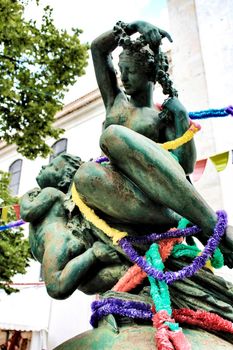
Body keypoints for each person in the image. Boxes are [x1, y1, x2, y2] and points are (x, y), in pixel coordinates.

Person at [73, 20, 233, 267]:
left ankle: (208, 224)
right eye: (121, 69)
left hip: (154, 192)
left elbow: (186, 167)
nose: (123, 77)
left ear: (149, 74)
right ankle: (197, 224)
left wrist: (181, 118)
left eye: (131, 71)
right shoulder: (114, 101)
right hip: (124, 196)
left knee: (111, 136)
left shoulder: (162, 117)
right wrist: (133, 26)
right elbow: (97, 49)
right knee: (84, 176)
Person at [20, 154, 128, 299]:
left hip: (58, 241)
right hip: (64, 245)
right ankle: (124, 271)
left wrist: (25, 197)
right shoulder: (57, 199)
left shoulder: (51, 192)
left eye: (52, 167)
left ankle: (93, 254)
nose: (44, 166)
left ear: (64, 180)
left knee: (56, 287)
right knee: (85, 285)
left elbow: (27, 212)